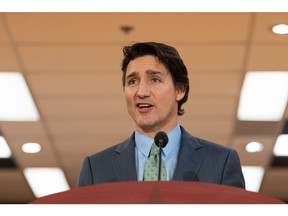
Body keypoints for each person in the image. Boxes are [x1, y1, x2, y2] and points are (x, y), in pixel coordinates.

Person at [77, 42, 245, 189]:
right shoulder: (96, 168)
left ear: (179, 90)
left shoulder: (221, 162)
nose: (141, 92)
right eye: (132, 81)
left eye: (155, 80)